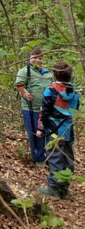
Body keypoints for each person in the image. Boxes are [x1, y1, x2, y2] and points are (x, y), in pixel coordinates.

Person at [36, 61, 79, 199]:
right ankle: (64, 189)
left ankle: (54, 189)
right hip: (68, 130)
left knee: (55, 158)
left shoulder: (50, 91)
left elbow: (44, 111)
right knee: (67, 158)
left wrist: (40, 129)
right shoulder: (74, 93)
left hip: (54, 131)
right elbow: (75, 111)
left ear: (54, 74)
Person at [15, 47, 53, 167]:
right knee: (34, 134)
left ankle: (50, 157)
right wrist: (25, 94)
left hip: (47, 110)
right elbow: (19, 85)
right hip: (31, 109)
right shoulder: (24, 71)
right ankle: (38, 158)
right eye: (35, 57)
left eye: (40, 58)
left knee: (48, 133)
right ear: (29, 58)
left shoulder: (48, 73)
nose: (37, 60)